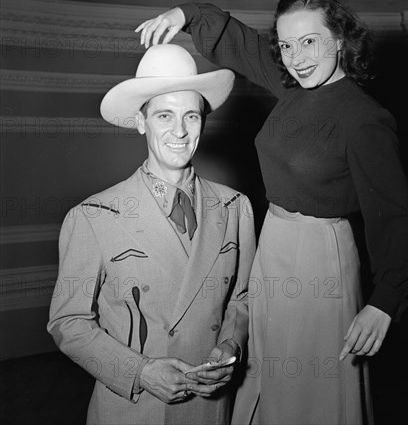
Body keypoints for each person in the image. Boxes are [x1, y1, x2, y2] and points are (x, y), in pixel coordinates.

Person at [136, 0, 408, 425]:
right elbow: (241, 42)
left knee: (307, 388)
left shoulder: (364, 120)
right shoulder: (292, 85)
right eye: (286, 45)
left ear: (340, 39)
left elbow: (396, 216)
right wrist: (188, 14)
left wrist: (385, 301)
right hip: (273, 248)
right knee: (267, 373)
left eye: (309, 41)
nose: (296, 58)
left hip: (320, 259)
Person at [48, 44, 256, 425]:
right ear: (141, 121)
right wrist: (141, 371)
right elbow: (68, 322)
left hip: (210, 407)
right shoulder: (94, 216)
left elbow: (242, 298)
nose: (179, 130)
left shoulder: (235, 207)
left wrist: (231, 345)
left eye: (191, 115)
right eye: (165, 115)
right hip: (132, 408)